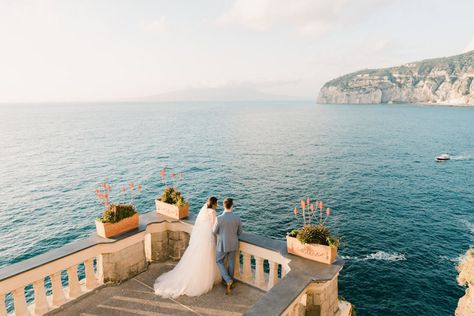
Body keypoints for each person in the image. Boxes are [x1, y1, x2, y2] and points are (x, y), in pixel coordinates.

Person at [154, 197, 221, 298]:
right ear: (214, 204)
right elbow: (213, 226)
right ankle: (203, 280)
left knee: (198, 257)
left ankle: (199, 277)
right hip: (207, 237)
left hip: (201, 236)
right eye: (217, 203)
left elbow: (200, 223)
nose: (217, 205)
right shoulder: (212, 212)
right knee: (207, 256)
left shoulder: (204, 210)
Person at [213, 197, 242, 295]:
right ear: (232, 206)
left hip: (222, 244)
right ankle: (230, 282)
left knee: (218, 260)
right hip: (233, 243)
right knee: (231, 263)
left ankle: (227, 280)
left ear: (223, 206)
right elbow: (240, 232)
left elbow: (214, 231)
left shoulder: (219, 218)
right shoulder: (237, 218)